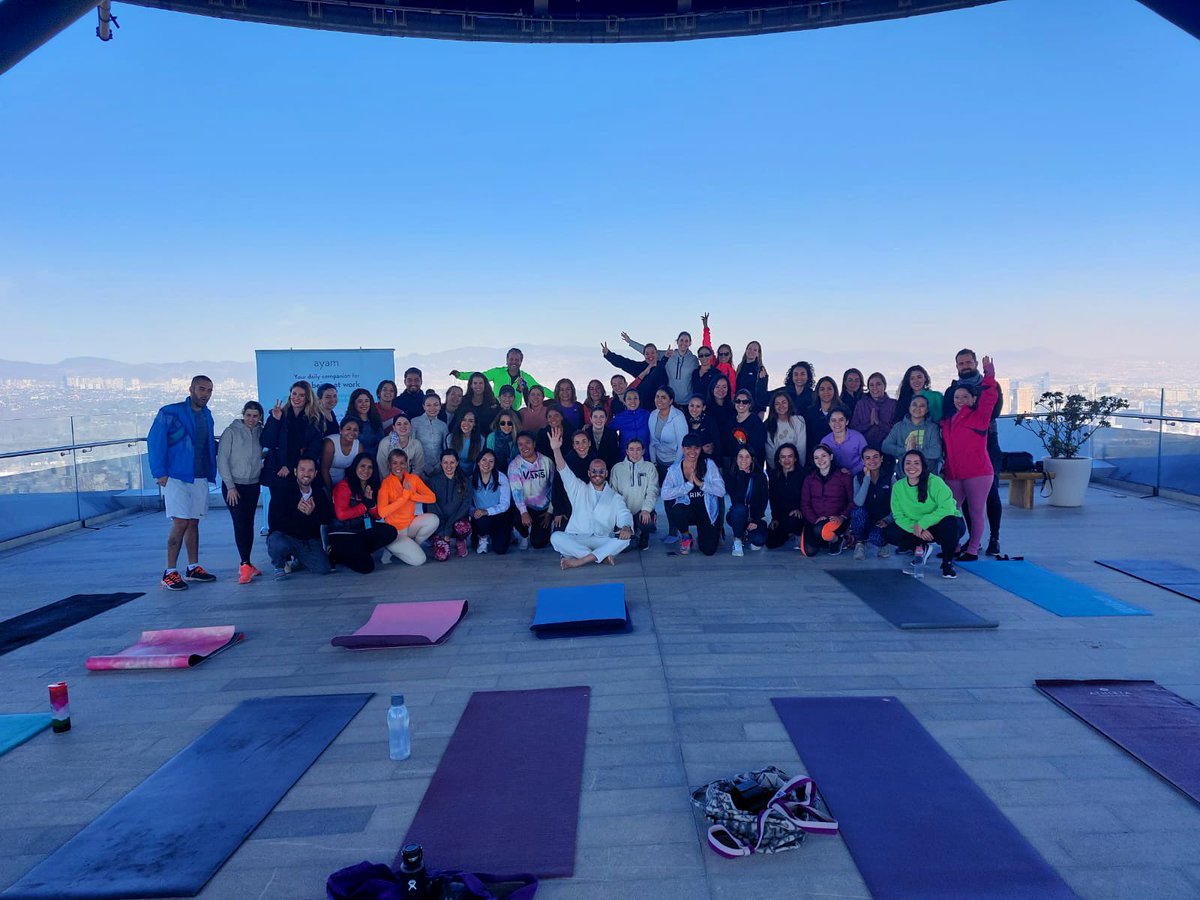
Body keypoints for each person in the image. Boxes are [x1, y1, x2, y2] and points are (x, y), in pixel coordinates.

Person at [148, 374, 218, 591]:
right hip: (176, 476)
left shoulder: (208, 416)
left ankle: (193, 567)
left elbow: (208, 445)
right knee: (180, 522)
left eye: (208, 390)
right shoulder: (170, 412)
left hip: (199, 475)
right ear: (191, 389)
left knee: (194, 521)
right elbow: (155, 441)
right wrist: (159, 472)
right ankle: (169, 571)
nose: (204, 394)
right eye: (201, 389)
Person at [943, 349, 1005, 557]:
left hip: (978, 471)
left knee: (976, 511)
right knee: (951, 510)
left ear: (972, 399)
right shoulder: (947, 422)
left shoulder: (980, 418)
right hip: (954, 472)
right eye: (957, 397)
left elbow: (990, 398)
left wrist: (990, 376)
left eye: (965, 397)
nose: (960, 400)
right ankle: (954, 546)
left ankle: (973, 548)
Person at [544, 425, 632, 569]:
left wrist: (627, 527)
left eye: (601, 471)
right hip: (578, 537)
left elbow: (624, 514)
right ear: (589, 473)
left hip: (601, 538)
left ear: (606, 473)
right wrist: (556, 449)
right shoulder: (578, 488)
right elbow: (563, 470)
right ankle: (600, 557)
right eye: (594, 471)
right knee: (556, 537)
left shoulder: (615, 497)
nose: (598, 474)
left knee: (625, 540)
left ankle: (579, 560)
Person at [887, 450, 963, 579]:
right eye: (908, 463)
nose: (912, 467)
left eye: (916, 463)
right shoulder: (898, 487)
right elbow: (899, 516)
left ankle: (947, 564)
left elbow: (949, 507)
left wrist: (923, 523)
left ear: (923, 466)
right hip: (917, 528)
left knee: (951, 522)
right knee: (890, 532)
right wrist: (918, 528)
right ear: (902, 466)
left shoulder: (935, 482)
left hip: (940, 525)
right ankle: (921, 547)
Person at [218, 400, 265, 585]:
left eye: (255, 416)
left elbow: (259, 454)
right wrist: (230, 486)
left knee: (249, 523)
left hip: (252, 485)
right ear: (243, 414)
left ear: (260, 417)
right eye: (248, 415)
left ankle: (248, 562)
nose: (251, 419)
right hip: (234, 486)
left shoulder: (261, 433)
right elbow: (222, 459)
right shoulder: (231, 432)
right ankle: (244, 563)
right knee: (239, 523)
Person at [328, 453, 397, 574]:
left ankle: (357, 553)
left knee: (390, 531)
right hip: (343, 533)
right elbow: (341, 515)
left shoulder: (371, 486)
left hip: (361, 531)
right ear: (355, 467)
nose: (366, 470)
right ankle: (336, 555)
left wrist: (370, 503)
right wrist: (364, 505)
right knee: (367, 567)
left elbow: (378, 515)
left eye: (370, 467)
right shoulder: (344, 486)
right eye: (362, 466)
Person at [265, 456, 333, 578]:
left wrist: (312, 512)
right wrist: (298, 512)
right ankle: (279, 565)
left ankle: (300, 560)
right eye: (302, 470)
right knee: (275, 541)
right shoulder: (282, 491)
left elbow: (327, 518)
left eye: (310, 470)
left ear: (315, 473)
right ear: (295, 471)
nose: (306, 474)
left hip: (309, 540)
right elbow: (274, 522)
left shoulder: (319, 493)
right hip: (288, 537)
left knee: (324, 569)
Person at [660, 434, 727, 556]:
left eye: (696, 448)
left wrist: (701, 484)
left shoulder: (709, 464)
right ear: (682, 449)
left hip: (706, 512)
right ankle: (685, 535)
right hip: (687, 511)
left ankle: (704, 535)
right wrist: (687, 486)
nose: (692, 451)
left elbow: (721, 491)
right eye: (688, 448)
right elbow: (664, 494)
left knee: (709, 550)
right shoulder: (674, 469)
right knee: (671, 504)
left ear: (701, 449)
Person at [376, 449, 438, 566]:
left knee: (433, 519)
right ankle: (390, 548)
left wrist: (412, 495)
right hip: (395, 532)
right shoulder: (386, 483)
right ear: (389, 465)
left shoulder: (413, 479)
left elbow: (432, 498)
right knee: (419, 560)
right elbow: (382, 512)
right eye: (395, 463)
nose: (398, 466)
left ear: (407, 464)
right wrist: (404, 497)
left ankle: (415, 544)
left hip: (410, 525)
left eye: (402, 463)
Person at [262, 380, 325, 484]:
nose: (296, 398)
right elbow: (267, 442)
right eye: (294, 394)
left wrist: (291, 466)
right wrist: (275, 421)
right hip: (277, 470)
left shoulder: (316, 419)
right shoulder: (279, 414)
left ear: (308, 398)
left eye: (301, 395)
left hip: (302, 473)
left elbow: (314, 449)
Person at [800, 445, 854, 556]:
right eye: (816, 458)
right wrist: (814, 519)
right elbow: (805, 503)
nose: (820, 460)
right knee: (808, 552)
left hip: (837, 520)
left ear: (831, 457)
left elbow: (853, 501)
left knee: (821, 530)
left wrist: (842, 516)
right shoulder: (810, 479)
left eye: (824, 456)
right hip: (816, 520)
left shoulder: (844, 476)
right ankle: (828, 540)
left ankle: (836, 540)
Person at [648, 387, 688, 538]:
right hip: (659, 461)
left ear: (671, 400)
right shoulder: (653, 415)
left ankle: (675, 529)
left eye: (663, 397)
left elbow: (682, 445)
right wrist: (653, 463)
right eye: (657, 396)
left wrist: (675, 467)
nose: (659, 400)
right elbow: (652, 442)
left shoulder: (678, 417)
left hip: (675, 463)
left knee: (673, 498)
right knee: (663, 496)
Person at [609, 437, 659, 551]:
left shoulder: (649, 467)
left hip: (641, 511)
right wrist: (621, 514)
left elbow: (653, 490)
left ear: (643, 451)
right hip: (624, 512)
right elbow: (613, 492)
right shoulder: (617, 468)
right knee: (626, 548)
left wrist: (646, 509)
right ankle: (631, 532)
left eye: (638, 449)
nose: (635, 452)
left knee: (647, 522)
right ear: (626, 451)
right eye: (631, 449)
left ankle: (643, 534)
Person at [508, 431, 555, 550]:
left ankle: (546, 529)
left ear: (534, 444)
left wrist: (550, 511)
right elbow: (516, 491)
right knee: (515, 516)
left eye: (528, 443)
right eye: (520, 444)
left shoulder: (546, 461)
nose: (524, 447)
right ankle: (524, 535)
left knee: (538, 543)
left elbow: (555, 487)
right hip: (526, 506)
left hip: (544, 507)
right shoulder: (514, 465)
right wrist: (523, 512)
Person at [623, 330, 698, 404]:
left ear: (690, 343)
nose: (683, 343)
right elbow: (649, 351)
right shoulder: (669, 354)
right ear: (677, 342)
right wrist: (630, 342)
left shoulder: (694, 360)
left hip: (688, 401)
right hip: (671, 400)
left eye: (686, 341)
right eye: (681, 340)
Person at [451, 348, 541, 410]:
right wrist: (460, 375)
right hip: (496, 410)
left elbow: (541, 389)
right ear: (507, 360)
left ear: (521, 362)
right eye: (511, 359)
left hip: (514, 413)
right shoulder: (497, 373)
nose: (514, 362)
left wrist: (555, 396)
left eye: (517, 360)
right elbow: (480, 376)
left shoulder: (525, 378)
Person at [882, 395, 943, 477]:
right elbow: (885, 447)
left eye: (922, 406)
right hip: (903, 476)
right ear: (909, 407)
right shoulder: (899, 426)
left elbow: (936, 452)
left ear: (927, 410)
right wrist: (905, 450)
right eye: (914, 405)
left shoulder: (932, 428)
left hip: (927, 476)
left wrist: (914, 451)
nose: (918, 408)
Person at [429, 449, 473, 560]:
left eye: (452, 462)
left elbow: (464, 507)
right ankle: (440, 540)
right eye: (445, 462)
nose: (449, 466)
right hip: (440, 526)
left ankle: (460, 540)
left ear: (457, 463)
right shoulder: (433, 482)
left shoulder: (465, 481)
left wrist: (448, 530)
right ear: (441, 463)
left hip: (456, 523)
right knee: (441, 556)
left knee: (463, 527)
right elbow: (431, 506)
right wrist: (443, 531)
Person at [850, 447, 894, 560]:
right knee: (857, 512)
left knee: (876, 538)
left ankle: (884, 544)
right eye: (867, 458)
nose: (872, 461)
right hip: (865, 518)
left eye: (875, 457)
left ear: (881, 458)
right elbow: (859, 502)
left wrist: (887, 520)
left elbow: (897, 505)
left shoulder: (890, 477)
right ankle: (859, 544)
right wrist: (867, 479)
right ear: (863, 461)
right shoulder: (858, 477)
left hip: (882, 520)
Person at [550, 428, 597, 528]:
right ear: (573, 446)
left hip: (591, 509)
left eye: (584, 442)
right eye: (577, 443)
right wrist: (558, 511)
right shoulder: (564, 461)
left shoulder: (596, 462)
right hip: (568, 510)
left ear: (589, 443)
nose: (581, 446)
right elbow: (557, 487)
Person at [601, 339, 667, 410]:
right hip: (643, 407)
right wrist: (609, 354)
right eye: (647, 353)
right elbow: (624, 363)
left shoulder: (664, 365)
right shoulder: (639, 367)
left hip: (661, 404)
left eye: (652, 353)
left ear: (657, 354)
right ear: (644, 355)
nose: (650, 356)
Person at [726, 447, 768, 556]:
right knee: (739, 509)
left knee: (757, 543)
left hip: (754, 518)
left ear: (752, 459)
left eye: (747, 456)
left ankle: (745, 534)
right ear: (736, 459)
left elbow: (764, 501)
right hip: (737, 515)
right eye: (740, 456)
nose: (743, 459)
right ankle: (737, 540)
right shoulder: (731, 476)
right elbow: (737, 500)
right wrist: (742, 476)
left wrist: (756, 520)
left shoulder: (760, 477)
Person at [470, 449, 513, 555]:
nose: (487, 464)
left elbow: (505, 503)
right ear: (478, 462)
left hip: (499, 516)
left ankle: (504, 533)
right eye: (483, 460)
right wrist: (474, 511)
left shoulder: (501, 478)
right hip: (480, 518)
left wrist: (487, 511)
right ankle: (482, 537)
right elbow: (467, 503)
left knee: (500, 550)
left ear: (494, 464)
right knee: (482, 522)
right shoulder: (472, 479)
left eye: (491, 461)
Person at [766, 443, 806, 550]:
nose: (786, 460)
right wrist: (774, 518)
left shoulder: (803, 475)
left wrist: (800, 510)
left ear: (795, 458)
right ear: (778, 460)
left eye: (790, 456)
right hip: (782, 516)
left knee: (792, 521)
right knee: (770, 542)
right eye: (783, 457)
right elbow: (773, 499)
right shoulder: (774, 475)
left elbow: (808, 498)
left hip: (800, 515)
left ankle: (800, 534)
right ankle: (788, 534)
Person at [850, 373, 898, 450]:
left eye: (878, 384)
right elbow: (853, 430)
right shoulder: (861, 404)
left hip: (887, 451)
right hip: (865, 451)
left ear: (884, 386)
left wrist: (879, 423)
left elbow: (897, 432)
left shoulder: (893, 404)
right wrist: (869, 424)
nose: (875, 388)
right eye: (871, 385)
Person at [726, 388, 767, 470]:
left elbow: (759, 447)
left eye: (745, 402)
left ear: (750, 404)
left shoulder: (756, 423)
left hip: (752, 466)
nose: (741, 404)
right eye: (738, 401)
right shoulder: (730, 421)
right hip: (734, 467)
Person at [764, 391, 808, 467]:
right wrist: (776, 471)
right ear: (773, 407)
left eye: (784, 402)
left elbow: (801, 448)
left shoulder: (799, 421)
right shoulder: (768, 424)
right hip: (778, 469)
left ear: (789, 404)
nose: (781, 406)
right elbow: (770, 452)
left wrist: (800, 468)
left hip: (796, 467)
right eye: (777, 404)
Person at [412, 393, 449, 478]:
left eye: (436, 405)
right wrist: (424, 466)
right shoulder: (415, 422)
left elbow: (445, 448)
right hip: (419, 468)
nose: (432, 408)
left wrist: (439, 465)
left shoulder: (443, 425)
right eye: (428, 405)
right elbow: (412, 446)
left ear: (440, 406)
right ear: (423, 406)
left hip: (439, 468)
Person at [820, 409, 868, 476]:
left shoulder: (858, 437)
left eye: (841, 420)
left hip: (857, 475)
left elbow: (867, 458)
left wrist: (852, 472)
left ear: (847, 422)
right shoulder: (825, 441)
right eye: (833, 420)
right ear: (829, 423)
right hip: (833, 477)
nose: (837, 423)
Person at [803, 376, 845, 446]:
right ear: (818, 392)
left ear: (834, 391)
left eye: (829, 389)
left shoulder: (843, 410)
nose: (826, 392)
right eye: (822, 389)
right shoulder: (809, 413)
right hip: (816, 453)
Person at [321, 418, 360, 489]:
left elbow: (358, 470)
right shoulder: (330, 443)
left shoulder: (359, 446)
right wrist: (330, 492)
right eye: (348, 429)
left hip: (342, 483)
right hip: (322, 481)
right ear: (340, 430)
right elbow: (324, 470)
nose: (352, 432)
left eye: (355, 430)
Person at [700, 313, 738, 386]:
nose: (723, 356)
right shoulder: (714, 364)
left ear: (730, 355)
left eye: (726, 354)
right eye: (721, 354)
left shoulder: (733, 372)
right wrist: (706, 328)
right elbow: (707, 345)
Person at [611, 387, 651, 457]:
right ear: (625, 401)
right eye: (629, 399)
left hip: (645, 457)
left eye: (635, 398)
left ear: (639, 400)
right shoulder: (620, 417)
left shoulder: (646, 415)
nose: (632, 401)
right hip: (625, 457)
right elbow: (607, 430)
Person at [445, 409, 484, 479]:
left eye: (471, 421)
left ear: (475, 424)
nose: (466, 423)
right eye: (464, 420)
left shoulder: (481, 439)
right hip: (453, 475)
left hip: (473, 476)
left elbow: (478, 463)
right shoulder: (449, 438)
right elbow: (447, 461)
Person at [345, 388, 384, 458]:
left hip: (376, 460)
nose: (364, 404)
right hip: (355, 462)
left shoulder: (376, 420)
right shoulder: (348, 422)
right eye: (360, 401)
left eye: (366, 401)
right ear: (354, 403)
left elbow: (381, 442)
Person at [735, 341, 770, 413]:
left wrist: (762, 412)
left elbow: (763, 392)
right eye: (749, 348)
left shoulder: (760, 370)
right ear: (746, 350)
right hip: (739, 407)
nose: (751, 351)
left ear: (758, 353)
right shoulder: (740, 367)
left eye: (755, 350)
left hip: (754, 410)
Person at [683, 394, 720, 458]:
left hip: (707, 459)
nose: (694, 409)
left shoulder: (710, 421)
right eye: (692, 405)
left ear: (703, 408)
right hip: (688, 458)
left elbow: (717, 443)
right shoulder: (684, 420)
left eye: (698, 406)